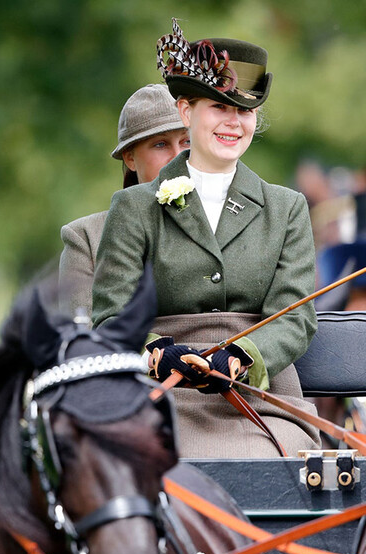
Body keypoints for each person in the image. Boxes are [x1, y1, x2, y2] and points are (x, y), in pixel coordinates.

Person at [91, 20, 320, 458]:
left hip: (259, 397)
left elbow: (294, 317)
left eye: (245, 112)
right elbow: (110, 317)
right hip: (160, 396)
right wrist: (158, 354)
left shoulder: (287, 208)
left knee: (268, 466)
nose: (233, 123)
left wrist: (241, 356)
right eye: (218, 107)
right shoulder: (134, 208)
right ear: (186, 112)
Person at [59, 84, 189, 315]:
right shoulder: (87, 238)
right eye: (160, 144)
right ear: (130, 158)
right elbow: (81, 331)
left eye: (187, 142)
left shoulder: (233, 223)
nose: (177, 156)